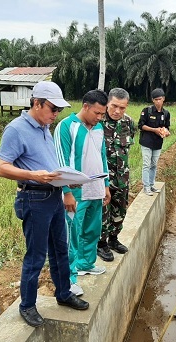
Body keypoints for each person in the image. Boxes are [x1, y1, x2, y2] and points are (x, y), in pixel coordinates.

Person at [0, 81, 89, 328]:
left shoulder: (44, 127)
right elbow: (1, 168)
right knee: (36, 254)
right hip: (34, 198)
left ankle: (63, 293)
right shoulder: (16, 129)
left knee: (61, 248)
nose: (56, 114)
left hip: (53, 196)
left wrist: (68, 180)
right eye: (52, 108)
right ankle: (27, 305)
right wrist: (34, 176)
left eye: (59, 110)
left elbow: (48, 163)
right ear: (36, 103)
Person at [55, 89, 111, 285]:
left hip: (96, 189)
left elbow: (102, 157)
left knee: (92, 229)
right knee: (72, 236)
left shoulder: (98, 128)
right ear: (85, 106)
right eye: (96, 113)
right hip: (76, 193)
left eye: (102, 114)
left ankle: (86, 264)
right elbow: (60, 162)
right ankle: (69, 279)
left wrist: (106, 185)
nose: (99, 117)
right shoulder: (66, 126)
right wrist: (67, 192)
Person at [96, 88, 135, 262]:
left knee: (120, 210)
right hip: (103, 179)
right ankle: (101, 244)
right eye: (114, 106)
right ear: (107, 104)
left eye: (122, 107)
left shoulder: (128, 123)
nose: (118, 111)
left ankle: (113, 239)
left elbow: (127, 147)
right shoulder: (97, 123)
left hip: (122, 178)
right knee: (103, 212)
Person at [138, 88, 171, 196]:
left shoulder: (166, 113)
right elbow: (141, 126)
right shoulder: (146, 111)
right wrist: (154, 130)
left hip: (158, 143)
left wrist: (165, 132)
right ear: (153, 100)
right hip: (146, 142)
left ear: (163, 99)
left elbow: (167, 127)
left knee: (154, 164)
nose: (158, 101)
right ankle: (146, 186)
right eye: (155, 99)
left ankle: (151, 185)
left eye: (160, 99)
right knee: (146, 164)